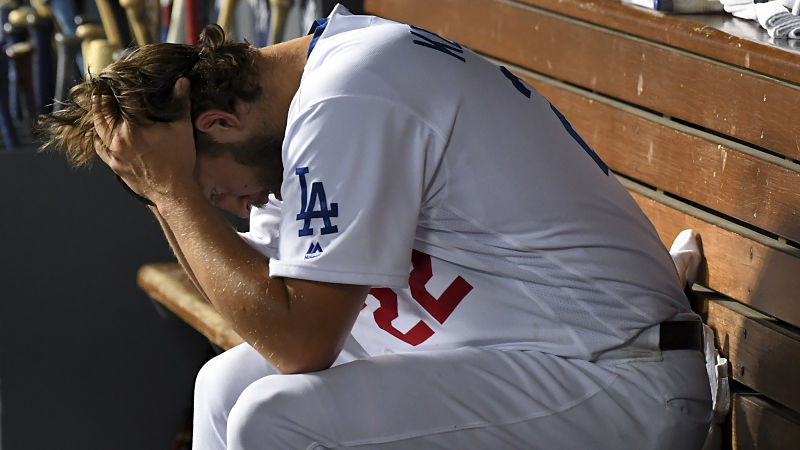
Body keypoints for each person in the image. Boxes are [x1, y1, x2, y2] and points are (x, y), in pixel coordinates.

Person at [39, 5, 712, 449]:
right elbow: (257, 310)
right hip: (543, 360)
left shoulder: (347, 98)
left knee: (273, 420)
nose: (238, 209)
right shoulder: (319, 96)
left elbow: (301, 343)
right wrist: (169, 193)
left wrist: (171, 191)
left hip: (620, 377)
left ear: (219, 123)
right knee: (225, 386)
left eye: (218, 192)